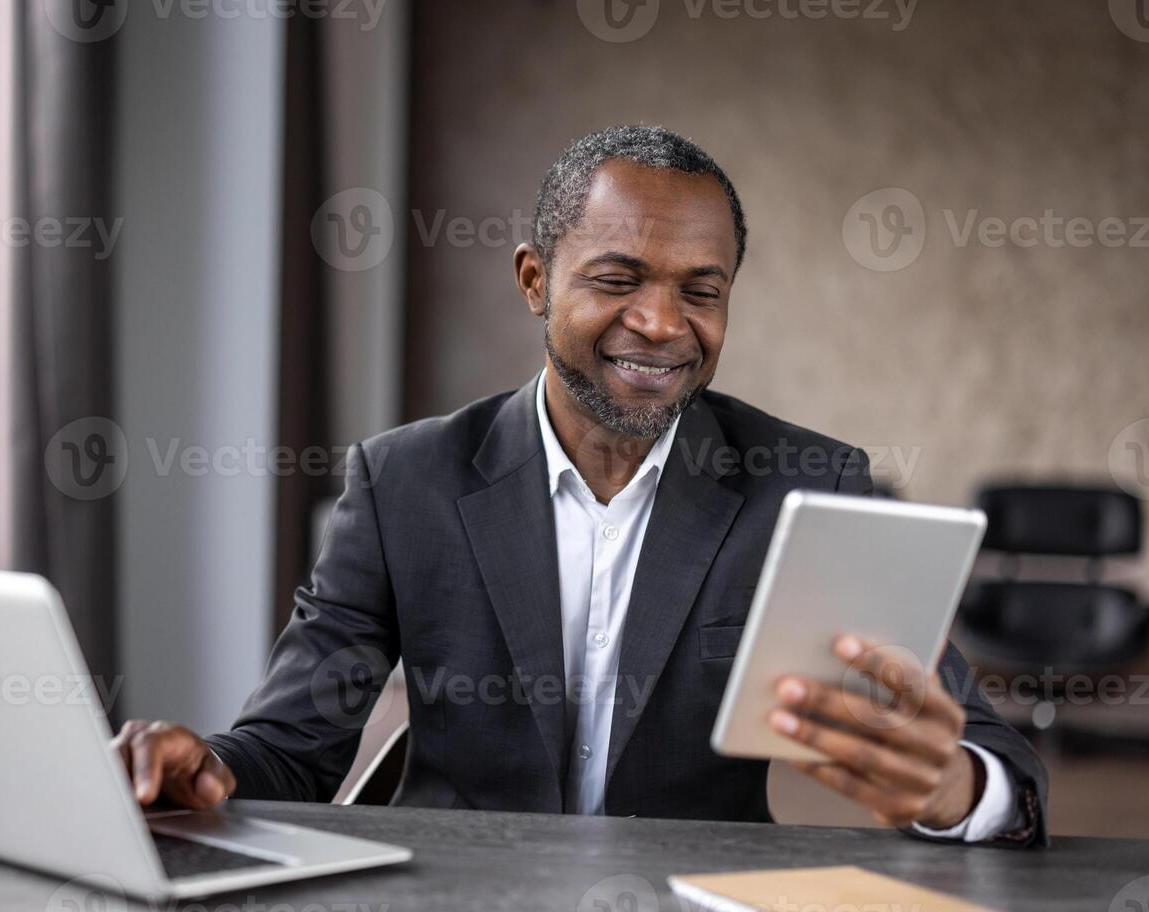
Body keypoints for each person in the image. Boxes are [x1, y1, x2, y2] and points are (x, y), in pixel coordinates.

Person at [113, 125, 1046, 846]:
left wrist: (956, 789)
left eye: (701, 290)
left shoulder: (810, 487)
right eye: (618, 278)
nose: (660, 321)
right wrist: (204, 769)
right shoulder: (405, 484)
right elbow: (288, 750)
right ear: (533, 280)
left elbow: (1002, 771)